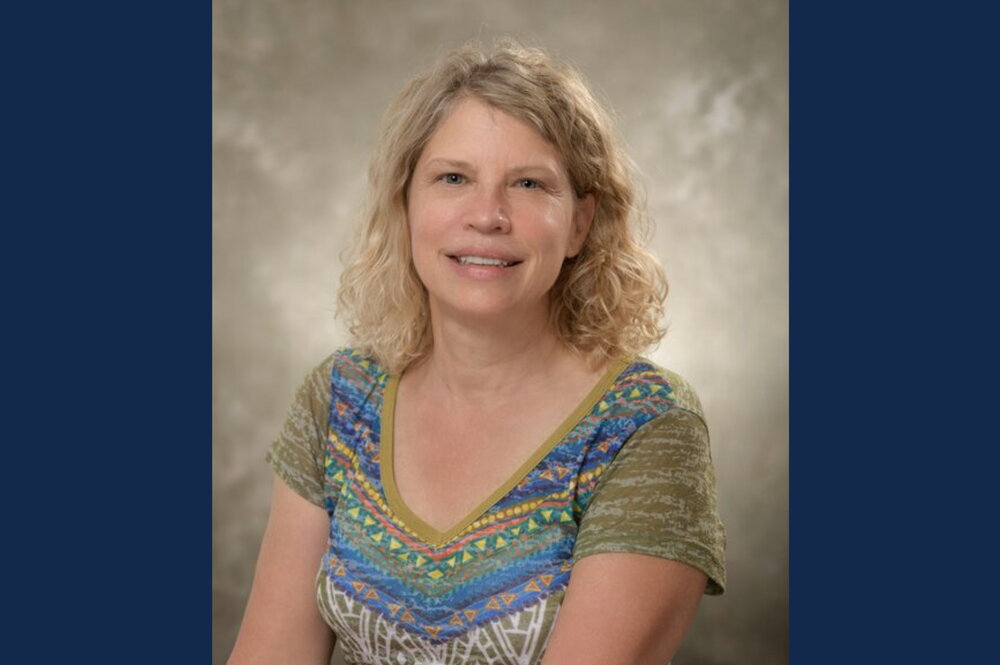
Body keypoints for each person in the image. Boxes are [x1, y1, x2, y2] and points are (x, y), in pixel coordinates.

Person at [226, 38, 725, 665]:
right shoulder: (341, 399)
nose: (487, 215)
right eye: (453, 178)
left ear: (579, 223)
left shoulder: (644, 426)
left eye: (529, 183)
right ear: (406, 205)